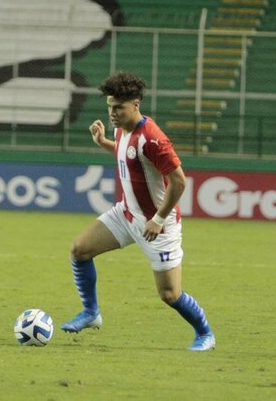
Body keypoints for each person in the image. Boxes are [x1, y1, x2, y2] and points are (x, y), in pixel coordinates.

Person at [60, 71, 215, 351]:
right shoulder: (122, 130)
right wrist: (103, 143)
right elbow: (126, 154)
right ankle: (91, 313)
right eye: (109, 106)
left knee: (170, 294)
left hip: (158, 226)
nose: (112, 113)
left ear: (136, 104)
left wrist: (157, 219)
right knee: (80, 250)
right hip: (126, 214)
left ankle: (205, 333)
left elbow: (180, 181)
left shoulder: (153, 139)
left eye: (118, 107)